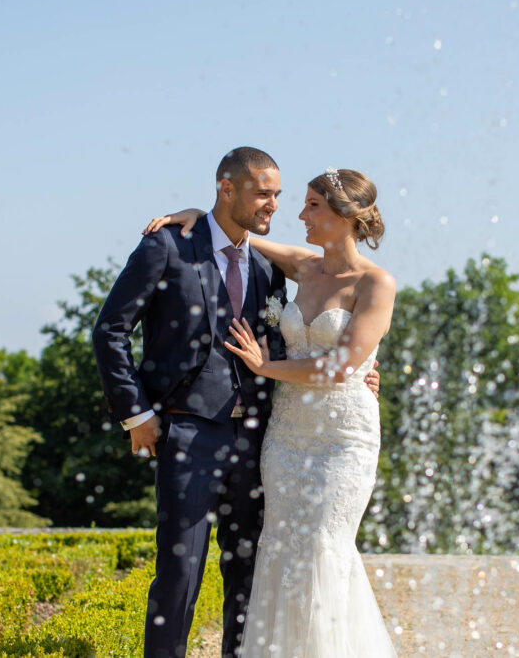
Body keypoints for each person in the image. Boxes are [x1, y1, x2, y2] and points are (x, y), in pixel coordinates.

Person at [92, 148, 379, 658]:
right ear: (228, 189)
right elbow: (111, 329)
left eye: (282, 196)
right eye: (264, 193)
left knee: (250, 569)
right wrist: (135, 413)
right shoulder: (168, 247)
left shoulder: (272, 267)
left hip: (264, 438)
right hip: (186, 431)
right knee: (179, 570)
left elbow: (309, 339)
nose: (275, 206)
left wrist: (361, 372)